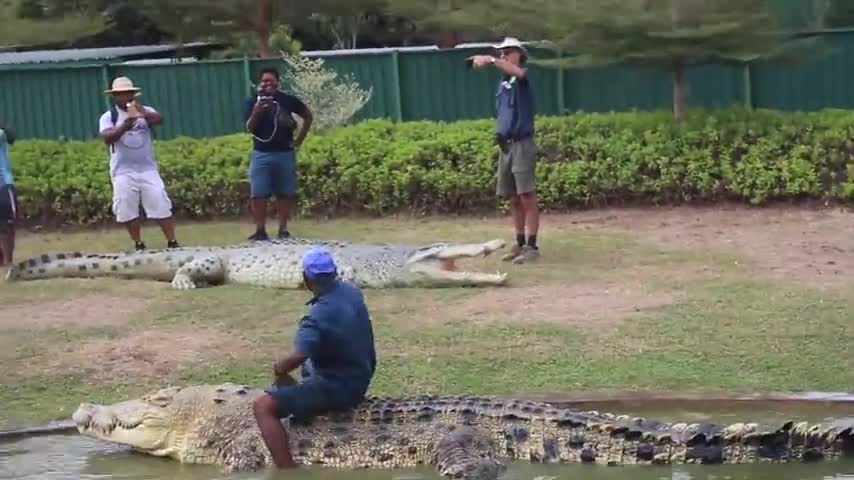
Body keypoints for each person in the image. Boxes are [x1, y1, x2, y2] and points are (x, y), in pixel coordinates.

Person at [253, 247, 376, 469]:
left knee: (263, 406)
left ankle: (287, 469)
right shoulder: (352, 291)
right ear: (334, 271)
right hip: (360, 376)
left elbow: (299, 355)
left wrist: (279, 369)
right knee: (310, 366)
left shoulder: (316, 317)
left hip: (340, 389)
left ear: (306, 278)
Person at [468, 37, 541, 264]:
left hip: (522, 143)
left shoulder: (521, 77)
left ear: (519, 54)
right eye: (501, 52)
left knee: (526, 195)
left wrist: (489, 59)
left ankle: (532, 246)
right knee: (513, 198)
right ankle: (519, 244)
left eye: (508, 51)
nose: (504, 55)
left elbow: (516, 72)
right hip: (506, 145)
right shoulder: (503, 83)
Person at [98, 76, 180, 251]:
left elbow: (159, 119)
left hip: (147, 168)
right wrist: (125, 126)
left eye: (129, 93)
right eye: (121, 94)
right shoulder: (109, 117)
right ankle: (138, 243)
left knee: (160, 201)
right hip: (122, 170)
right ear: (115, 96)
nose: (126, 97)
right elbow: (107, 137)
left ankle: (172, 241)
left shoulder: (144, 110)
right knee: (126, 207)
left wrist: (142, 112)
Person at [244, 67, 313, 241]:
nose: (268, 83)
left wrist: (299, 141)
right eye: (264, 81)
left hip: (285, 153)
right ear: (259, 84)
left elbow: (308, 116)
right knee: (258, 193)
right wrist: (257, 110)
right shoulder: (253, 101)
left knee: (284, 193)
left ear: (277, 81)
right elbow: (250, 128)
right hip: (261, 153)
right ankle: (260, 230)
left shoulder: (287, 100)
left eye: (271, 80)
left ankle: (283, 229)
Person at [0, 118, 17, 267]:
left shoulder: (1, 134)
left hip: (3, 185)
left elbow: (11, 136)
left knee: (6, 224)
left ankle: (8, 262)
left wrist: (3, 125)